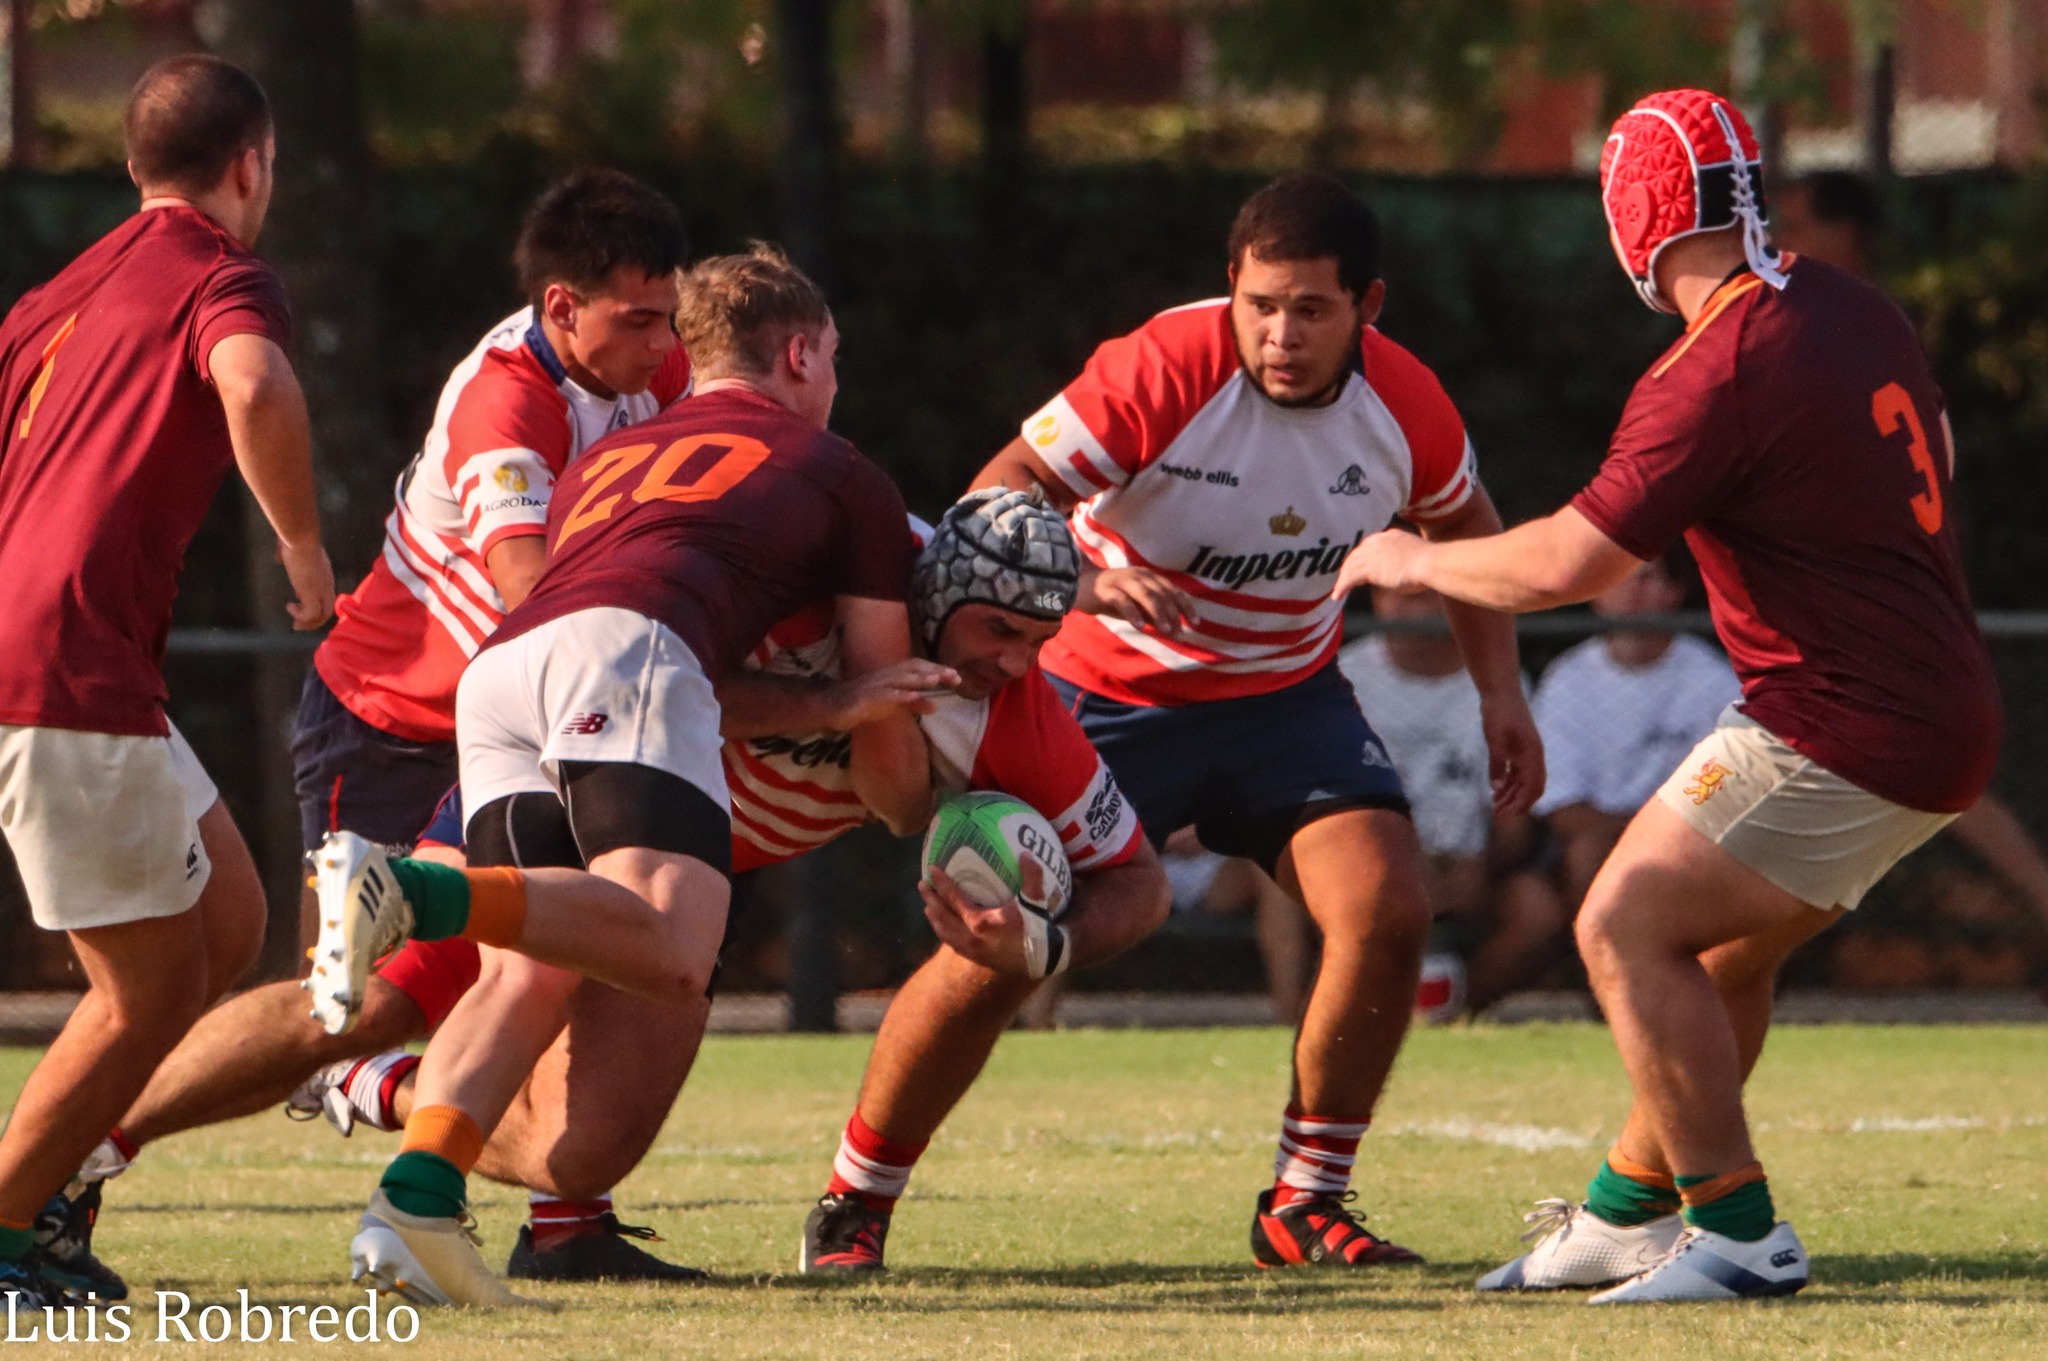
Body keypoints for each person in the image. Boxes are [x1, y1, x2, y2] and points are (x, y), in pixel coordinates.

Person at [1333, 89, 2002, 1302]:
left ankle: (1738, 1231)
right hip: (1928, 699)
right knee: (1721, 952)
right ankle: (1620, 1209)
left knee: (1618, 921)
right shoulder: (1844, 303)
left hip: (1839, 716)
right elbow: (1935, 454)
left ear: (1631, 215)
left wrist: (1410, 558)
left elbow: (1561, 565)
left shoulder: (1712, 369)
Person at [310, 245, 937, 1307]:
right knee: (673, 945)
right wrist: (917, 804)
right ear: (798, 351)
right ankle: (405, 889)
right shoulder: (840, 473)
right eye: (831, 357)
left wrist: (821, 706)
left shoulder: (619, 450)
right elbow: (886, 696)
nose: (834, 379)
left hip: (503, 670)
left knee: (525, 969)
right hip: (629, 655)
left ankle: (412, 1205)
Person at [974, 172, 1543, 1267]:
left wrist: (1499, 691)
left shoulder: (1405, 404)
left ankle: (1304, 1201)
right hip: (1109, 692)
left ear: (1366, 306)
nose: (1279, 334)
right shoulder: (1157, 366)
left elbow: (1468, 535)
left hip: (1284, 696)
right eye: (1259, 305)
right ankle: (860, 1191)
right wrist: (1079, 587)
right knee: (992, 947)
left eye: (1310, 309)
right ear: (1228, 289)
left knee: (1386, 909)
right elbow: (998, 490)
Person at [0, 55, 334, 1308]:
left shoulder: (56, 291)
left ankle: (54, 1185)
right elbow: (249, 379)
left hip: (73, 662)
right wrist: (302, 547)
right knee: (145, 987)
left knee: (225, 925)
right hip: (63, 665)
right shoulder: (221, 271)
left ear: (135, 165)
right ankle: (5, 1227)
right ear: (250, 164)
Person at [293, 167, 690, 930]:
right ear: (562, 307)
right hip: (390, 726)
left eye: (669, 318)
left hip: (506, 724)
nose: (663, 343)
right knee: (341, 987)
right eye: (639, 320)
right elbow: (530, 594)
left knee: (531, 974)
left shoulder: (652, 363)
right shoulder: (503, 405)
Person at [797, 491, 1169, 1272]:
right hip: (685, 797)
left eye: (1041, 639)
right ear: (934, 594)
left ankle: (855, 1202)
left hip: (778, 815)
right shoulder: (809, 577)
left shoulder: (1018, 717)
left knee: (1010, 940)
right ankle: (569, 1220)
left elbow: (1139, 881)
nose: (1016, 663)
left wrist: (1047, 943)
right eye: (998, 628)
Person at [1486, 555, 1738, 1009]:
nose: (1631, 593)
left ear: (1673, 592)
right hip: (1589, 843)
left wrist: (1663, 831)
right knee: (1587, 853)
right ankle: (1615, 995)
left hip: (1687, 839)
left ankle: (1628, 995)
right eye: (1616, 580)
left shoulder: (1712, 679)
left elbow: (1723, 786)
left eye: (1646, 578)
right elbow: (1562, 808)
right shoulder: (1570, 679)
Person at [1337, 587, 1501, 1019]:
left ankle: (1459, 1018)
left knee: (1533, 908)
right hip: (1364, 852)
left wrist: (1483, 858)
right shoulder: (1345, 676)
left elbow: (1512, 813)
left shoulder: (1497, 680)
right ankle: (1307, 1019)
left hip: (1466, 858)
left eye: (1428, 596)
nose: (1416, 609)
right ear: (1377, 601)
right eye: (1402, 597)